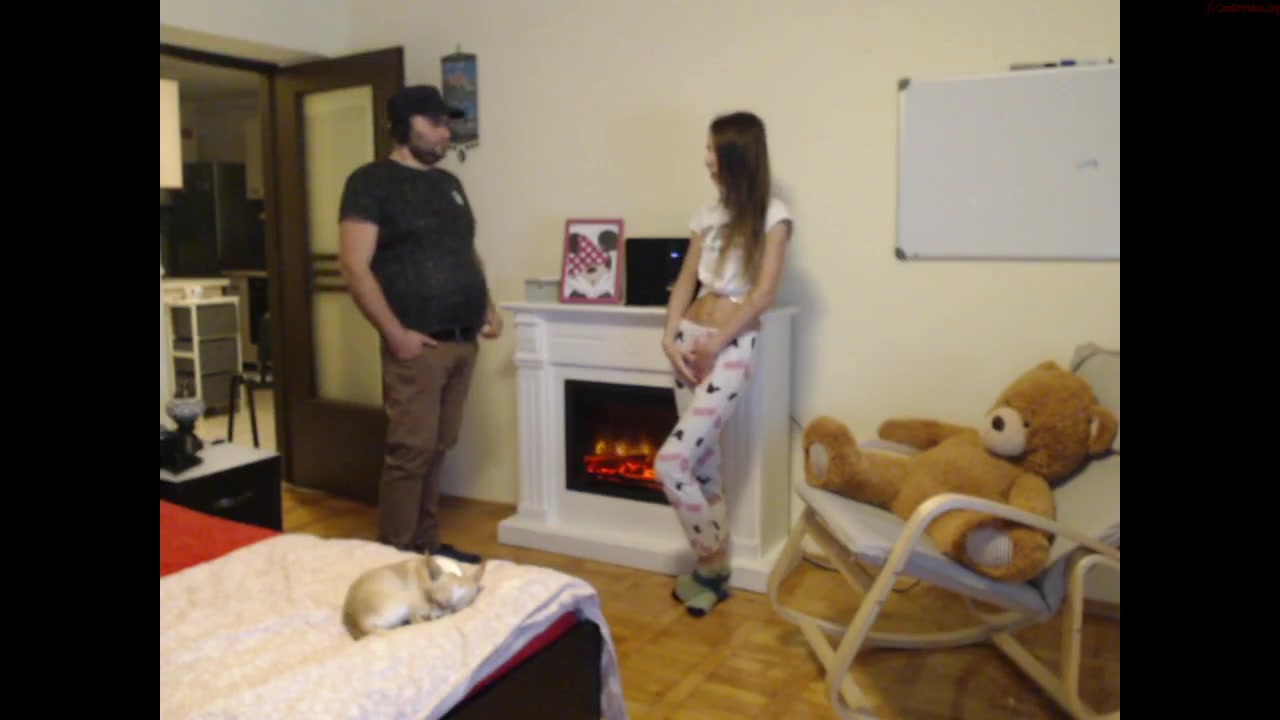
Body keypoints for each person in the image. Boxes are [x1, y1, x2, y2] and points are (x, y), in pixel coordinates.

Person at [337, 85, 502, 564]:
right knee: (410, 453)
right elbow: (354, 266)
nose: (445, 132)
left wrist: (486, 303)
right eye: (434, 122)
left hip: (462, 339)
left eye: (447, 123)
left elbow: (464, 250)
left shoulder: (449, 184)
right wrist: (395, 334)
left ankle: (426, 546)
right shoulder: (370, 182)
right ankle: (393, 559)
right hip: (417, 344)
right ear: (403, 125)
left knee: (438, 448)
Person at [654, 111, 794, 617]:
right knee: (702, 465)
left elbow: (763, 294)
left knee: (671, 463)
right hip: (690, 342)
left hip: (730, 347)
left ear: (737, 155)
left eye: (714, 150)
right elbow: (686, 279)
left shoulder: (773, 216)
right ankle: (712, 575)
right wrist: (670, 335)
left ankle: (712, 563)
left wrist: (717, 342)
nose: (706, 159)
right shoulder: (706, 215)